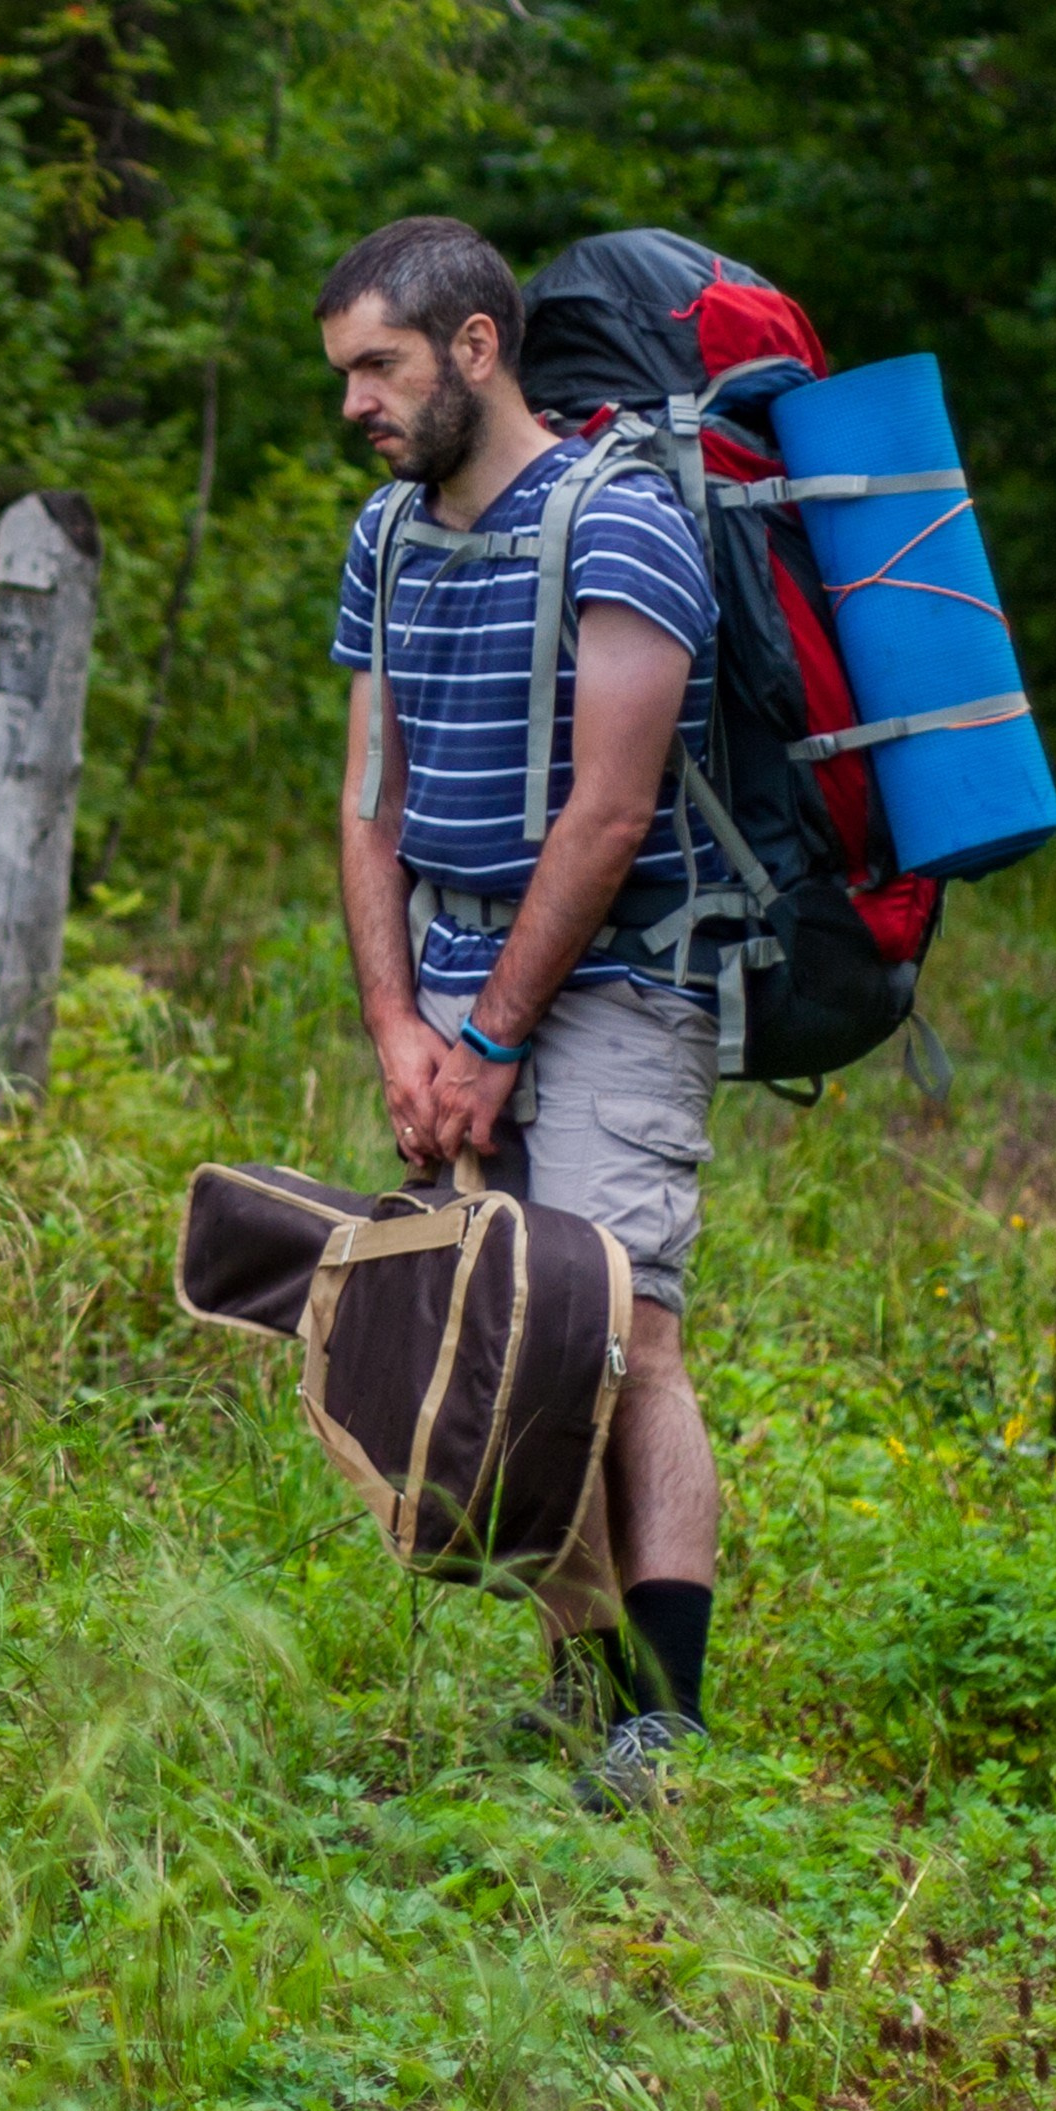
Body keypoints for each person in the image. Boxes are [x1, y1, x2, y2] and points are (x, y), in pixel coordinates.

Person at [320, 214, 722, 1812]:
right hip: (443, 983)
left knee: (624, 1328)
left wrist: (486, 1038)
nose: (355, 401)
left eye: (379, 366)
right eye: (344, 372)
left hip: (622, 976)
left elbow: (611, 816)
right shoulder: (385, 536)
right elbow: (370, 798)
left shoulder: (621, 526)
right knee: (499, 1329)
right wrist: (398, 1033)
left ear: (474, 348)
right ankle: (584, 1687)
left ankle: (667, 1718)